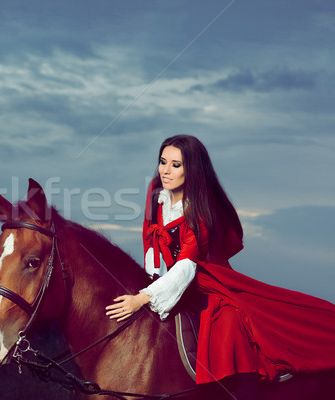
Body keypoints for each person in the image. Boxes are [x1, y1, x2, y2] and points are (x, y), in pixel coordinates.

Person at [105, 135, 335, 399]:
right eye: (162, 162)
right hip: (171, 284)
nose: (165, 171)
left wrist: (141, 299)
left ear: (192, 170)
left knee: (229, 320)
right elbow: (152, 245)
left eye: (175, 165)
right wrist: (148, 282)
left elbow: (186, 268)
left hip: (206, 284)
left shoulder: (202, 210)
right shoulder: (156, 194)